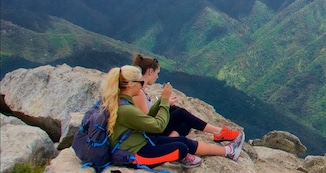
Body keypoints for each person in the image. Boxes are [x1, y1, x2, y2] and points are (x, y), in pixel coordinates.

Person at [102, 65, 244, 167]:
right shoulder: (126, 109)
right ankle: (224, 148)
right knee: (180, 148)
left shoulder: (120, 101)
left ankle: (228, 151)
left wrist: (161, 104)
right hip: (134, 156)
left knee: (182, 140)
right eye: (140, 82)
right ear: (130, 84)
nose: (142, 85)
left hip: (138, 144)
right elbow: (158, 126)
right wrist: (164, 100)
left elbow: (144, 120)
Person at [131, 54, 241, 143]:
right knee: (181, 113)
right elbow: (147, 122)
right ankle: (218, 132)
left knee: (186, 121)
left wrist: (165, 104)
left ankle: (170, 141)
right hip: (147, 134)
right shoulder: (138, 93)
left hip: (153, 129)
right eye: (157, 73)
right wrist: (163, 103)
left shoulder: (141, 90)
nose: (157, 77)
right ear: (150, 71)